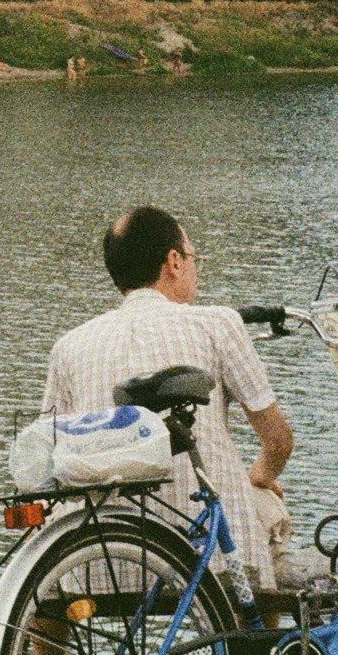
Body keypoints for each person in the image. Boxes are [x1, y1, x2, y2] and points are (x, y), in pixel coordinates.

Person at [40, 207, 294, 595]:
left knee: (45, 539)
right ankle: (255, 654)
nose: (195, 268)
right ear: (174, 262)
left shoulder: (68, 347)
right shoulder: (218, 324)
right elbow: (278, 441)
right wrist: (256, 479)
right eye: (194, 258)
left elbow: (49, 461)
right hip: (207, 558)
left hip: (102, 559)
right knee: (262, 515)